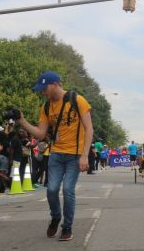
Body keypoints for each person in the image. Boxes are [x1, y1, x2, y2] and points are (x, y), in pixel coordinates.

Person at [17, 71, 93, 241]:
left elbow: (89, 129)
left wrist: (85, 156)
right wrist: (22, 121)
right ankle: (56, 216)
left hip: (75, 154)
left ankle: (67, 227)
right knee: (51, 189)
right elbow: (40, 133)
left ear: (54, 85)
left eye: (44, 89)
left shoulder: (77, 100)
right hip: (56, 154)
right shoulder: (46, 107)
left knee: (67, 190)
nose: (43, 92)